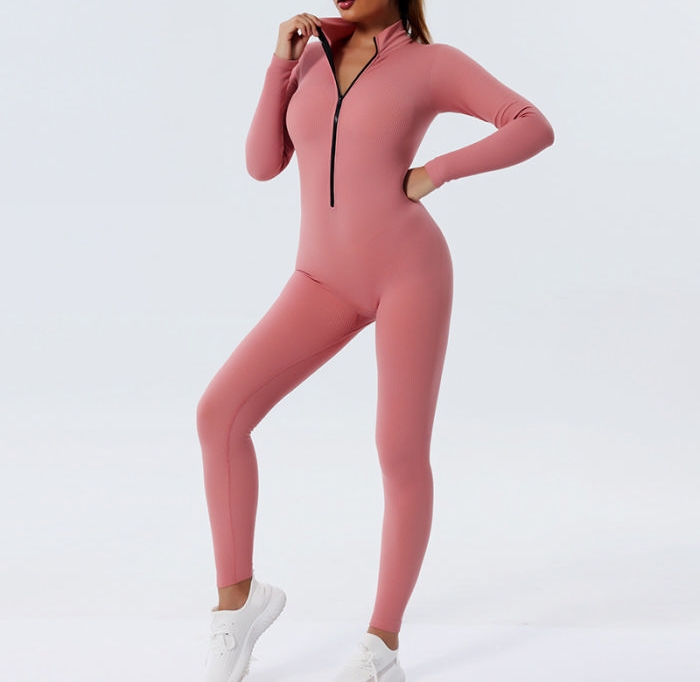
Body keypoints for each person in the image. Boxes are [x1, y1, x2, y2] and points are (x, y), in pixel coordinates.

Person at [197, 1, 554, 680]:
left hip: (407, 273)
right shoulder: (308, 58)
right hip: (320, 278)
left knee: (398, 451)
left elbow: (532, 125)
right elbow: (262, 165)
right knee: (220, 414)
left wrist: (435, 171)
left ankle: (381, 645)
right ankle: (238, 603)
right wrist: (279, 65)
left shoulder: (431, 64)